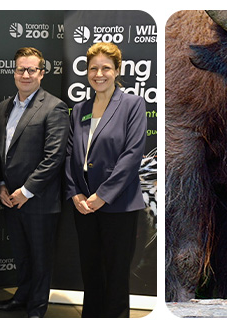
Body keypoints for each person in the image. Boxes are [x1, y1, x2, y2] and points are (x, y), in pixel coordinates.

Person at [64, 42, 147, 318]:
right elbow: (69, 154)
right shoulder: (79, 109)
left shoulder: (132, 105)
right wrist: (75, 193)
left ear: (117, 70)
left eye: (106, 68)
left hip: (117, 205)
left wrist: (103, 196)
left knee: (115, 273)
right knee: (91, 270)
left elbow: (132, 155)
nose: (99, 74)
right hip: (83, 206)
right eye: (93, 68)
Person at [0, 47, 69, 318]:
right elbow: (0, 153)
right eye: (20, 69)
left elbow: (54, 157)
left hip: (39, 201)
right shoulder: (3, 108)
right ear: (14, 72)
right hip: (10, 199)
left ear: (41, 73)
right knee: (21, 256)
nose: (25, 74)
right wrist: (1, 185)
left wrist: (26, 191)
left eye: (31, 69)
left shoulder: (54, 107)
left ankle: (37, 308)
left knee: (40, 259)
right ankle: (21, 298)